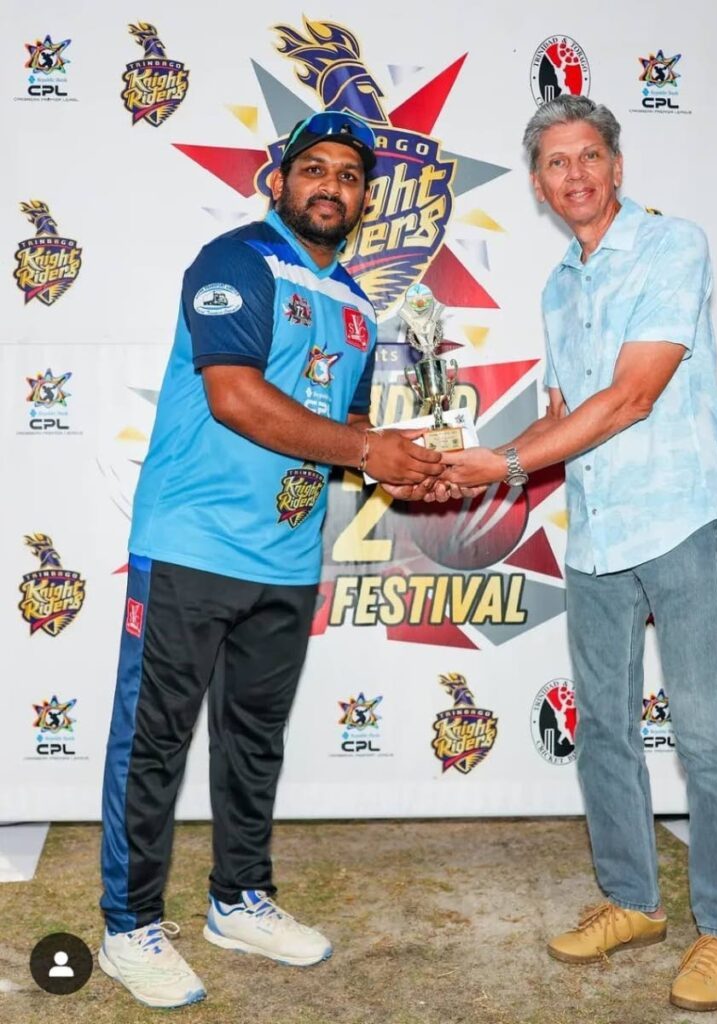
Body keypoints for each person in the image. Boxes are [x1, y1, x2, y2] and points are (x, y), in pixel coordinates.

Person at [98, 110, 442, 1009]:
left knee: (253, 740)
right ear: (277, 180)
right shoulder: (235, 262)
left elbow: (349, 429)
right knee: (155, 742)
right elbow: (237, 400)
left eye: (348, 176)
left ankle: (237, 899)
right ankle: (128, 924)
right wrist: (370, 455)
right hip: (192, 543)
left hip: (288, 556)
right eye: (313, 169)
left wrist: (415, 455)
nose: (330, 185)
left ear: (366, 198)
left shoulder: (361, 307)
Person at [439, 95, 717, 1012]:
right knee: (604, 732)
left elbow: (629, 399)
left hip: (681, 519)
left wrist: (497, 462)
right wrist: (476, 457)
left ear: (616, 166)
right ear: (539, 185)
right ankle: (631, 901)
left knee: (705, 735)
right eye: (554, 162)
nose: (573, 174)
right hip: (597, 530)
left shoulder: (674, 246)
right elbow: (567, 414)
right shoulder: (557, 286)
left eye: (589, 156)